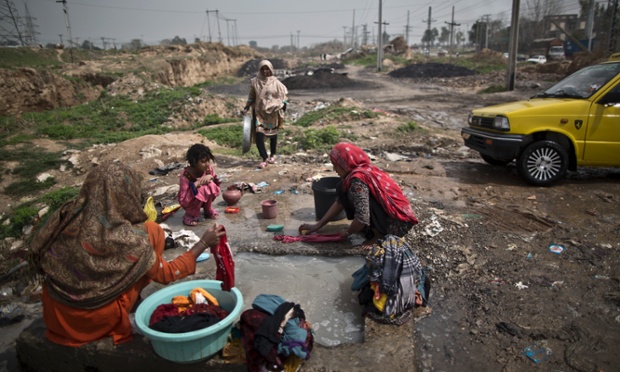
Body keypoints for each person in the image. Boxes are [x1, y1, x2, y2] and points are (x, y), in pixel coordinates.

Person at [29, 161, 226, 347]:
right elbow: (167, 274)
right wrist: (202, 243)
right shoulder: (130, 238)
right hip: (93, 322)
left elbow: (37, 252)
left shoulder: (66, 215)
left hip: (56, 316)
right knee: (153, 231)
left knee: (148, 234)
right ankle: (126, 301)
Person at [299, 142, 418, 242]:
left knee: (356, 194)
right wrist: (318, 225)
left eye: (336, 165)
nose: (335, 170)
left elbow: (362, 217)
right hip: (390, 217)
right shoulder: (361, 171)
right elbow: (339, 202)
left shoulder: (358, 179)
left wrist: (347, 232)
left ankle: (378, 236)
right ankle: (372, 229)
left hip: (397, 224)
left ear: (345, 163)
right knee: (341, 187)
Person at [242, 59, 288, 169]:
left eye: (267, 69)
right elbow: (252, 96)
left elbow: (284, 95)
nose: (265, 71)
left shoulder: (276, 82)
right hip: (259, 113)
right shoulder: (254, 82)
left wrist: (283, 104)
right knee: (259, 134)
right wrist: (247, 107)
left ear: (271, 69)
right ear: (260, 70)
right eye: (263, 69)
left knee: (273, 135)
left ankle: (272, 154)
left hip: (272, 113)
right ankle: (264, 158)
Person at [178, 143, 221, 226]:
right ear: (194, 162)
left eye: (208, 160)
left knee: (210, 184)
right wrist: (194, 185)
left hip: (205, 198)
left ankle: (208, 209)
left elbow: (216, 182)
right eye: (203, 162)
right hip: (190, 201)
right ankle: (190, 214)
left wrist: (211, 177)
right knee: (202, 188)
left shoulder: (208, 169)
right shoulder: (186, 175)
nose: (207, 164)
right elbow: (183, 199)